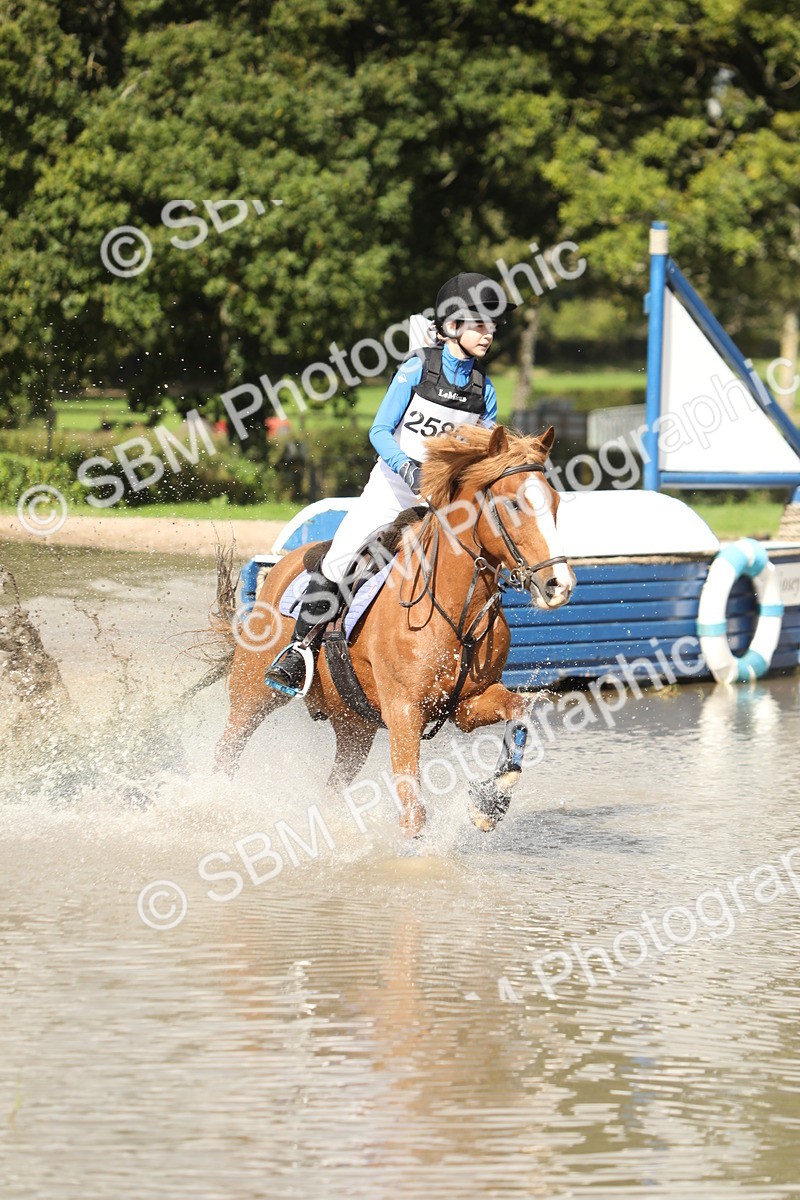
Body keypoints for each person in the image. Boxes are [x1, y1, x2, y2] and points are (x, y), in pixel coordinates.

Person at [264, 271, 517, 695]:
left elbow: (483, 455)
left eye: (491, 326)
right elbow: (380, 430)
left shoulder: (483, 390)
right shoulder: (417, 369)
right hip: (390, 490)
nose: (488, 333)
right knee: (339, 559)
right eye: (479, 323)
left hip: (442, 503)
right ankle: (298, 651)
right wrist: (408, 469)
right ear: (453, 326)